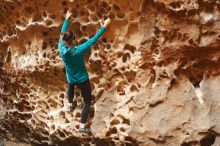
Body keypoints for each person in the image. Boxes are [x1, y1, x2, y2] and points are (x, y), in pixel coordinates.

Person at [58, 11, 111, 133]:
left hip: (71, 78)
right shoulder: (77, 50)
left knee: (70, 86)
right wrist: (104, 26)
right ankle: (82, 126)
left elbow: (62, 33)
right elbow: (92, 41)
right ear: (73, 40)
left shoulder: (61, 47)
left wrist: (67, 19)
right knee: (87, 101)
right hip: (82, 79)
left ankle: (70, 104)